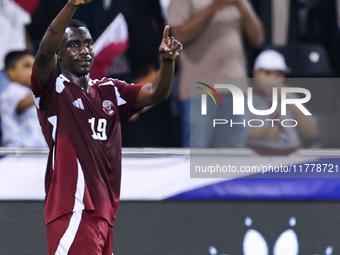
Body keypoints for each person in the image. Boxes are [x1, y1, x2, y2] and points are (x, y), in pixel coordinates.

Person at [30, 0, 182, 254]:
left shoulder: (110, 90)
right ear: (60, 51)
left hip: (104, 214)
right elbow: (44, 53)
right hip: (73, 208)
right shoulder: (52, 91)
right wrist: (71, 6)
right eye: (74, 45)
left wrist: (167, 62)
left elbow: (157, 93)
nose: (85, 51)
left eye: (88, 44)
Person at [167, 0, 265, 148]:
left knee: (235, 157)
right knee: (198, 153)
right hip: (199, 91)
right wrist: (215, 6)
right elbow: (177, 36)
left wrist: (242, 6)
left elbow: (258, 38)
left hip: (236, 88)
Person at [247, 50, 317, 155]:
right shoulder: (244, 98)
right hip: (258, 156)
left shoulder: (290, 95)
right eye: (267, 73)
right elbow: (229, 131)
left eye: (278, 74)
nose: (273, 79)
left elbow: (311, 132)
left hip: (293, 155)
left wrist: (291, 101)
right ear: (256, 74)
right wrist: (262, 133)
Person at [0, 50, 46, 148]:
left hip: (37, 154)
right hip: (17, 155)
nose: (34, 70)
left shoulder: (30, 92)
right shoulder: (10, 91)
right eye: (27, 66)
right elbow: (22, 104)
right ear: (10, 72)